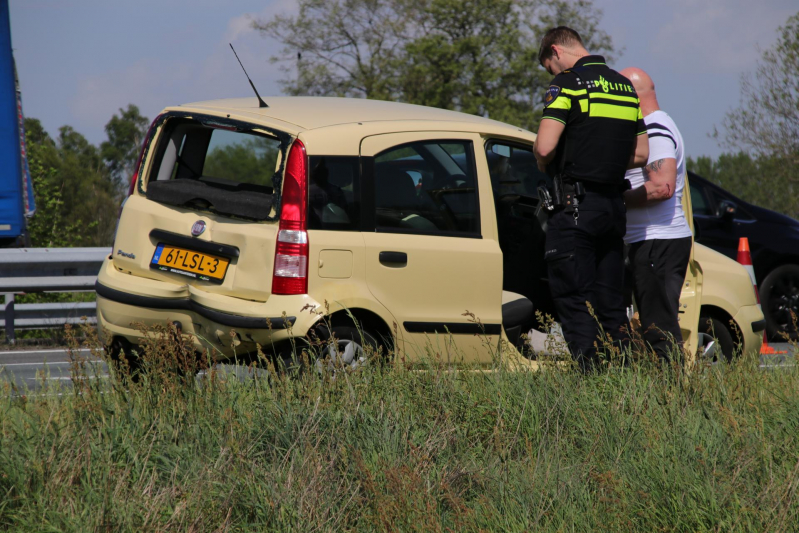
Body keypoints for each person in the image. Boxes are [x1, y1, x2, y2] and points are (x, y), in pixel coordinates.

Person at [533, 26, 649, 372]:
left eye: (548, 66)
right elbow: (641, 154)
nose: (552, 73)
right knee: (612, 304)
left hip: (575, 209)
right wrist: (606, 159)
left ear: (556, 51)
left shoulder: (567, 84)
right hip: (613, 209)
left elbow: (544, 146)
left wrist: (542, 162)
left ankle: (593, 379)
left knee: (575, 299)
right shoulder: (625, 87)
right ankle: (623, 378)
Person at [620, 67, 693, 361]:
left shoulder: (654, 130)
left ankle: (671, 393)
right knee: (654, 323)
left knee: (658, 326)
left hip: (657, 241)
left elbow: (661, 187)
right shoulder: (655, 126)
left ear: (631, 97)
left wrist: (617, 200)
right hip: (657, 240)